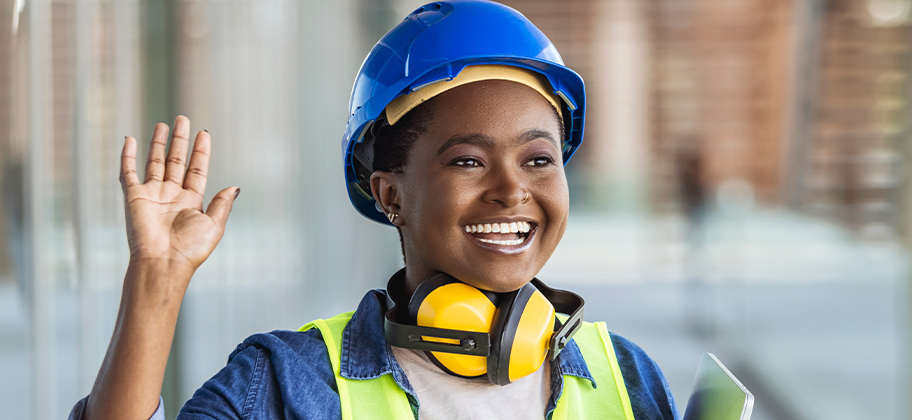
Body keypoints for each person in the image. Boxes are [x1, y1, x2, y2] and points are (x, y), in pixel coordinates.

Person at [69, 1, 678, 419]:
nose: (512, 190)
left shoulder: (626, 376)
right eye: (468, 161)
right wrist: (157, 279)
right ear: (390, 194)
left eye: (539, 160)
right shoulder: (290, 382)